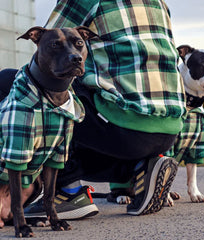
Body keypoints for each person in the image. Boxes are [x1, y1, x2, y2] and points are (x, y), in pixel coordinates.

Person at [0, 0, 186, 218]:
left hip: (124, 123)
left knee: (11, 82)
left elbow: (52, 42)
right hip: (169, 130)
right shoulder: (159, 2)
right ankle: (139, 169)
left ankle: (66, 190)